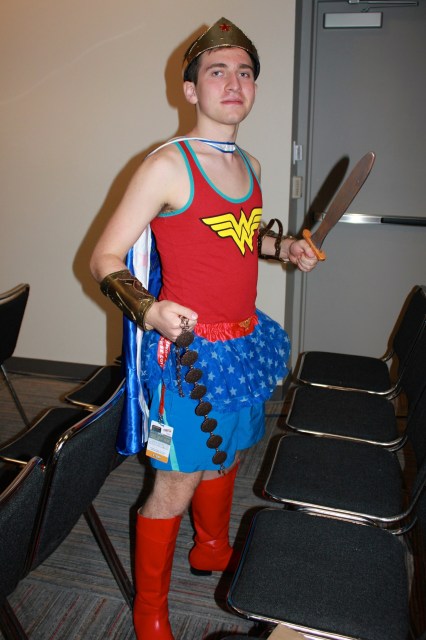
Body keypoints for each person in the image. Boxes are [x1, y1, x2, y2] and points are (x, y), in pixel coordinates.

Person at [90, 17, 318, 640]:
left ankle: (211, 548)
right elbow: (104, 258)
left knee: (230, 453)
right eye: (217, 71)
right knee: (176, 480)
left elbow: (243, 237)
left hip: (243, 340)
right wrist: (150, 309)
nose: (234, 82)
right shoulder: (168, 165)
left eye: (245, 72)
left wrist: (286, 248)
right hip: (188, 355)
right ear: (190, 89)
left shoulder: (249, 161)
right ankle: (149, 611)